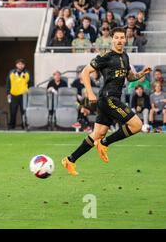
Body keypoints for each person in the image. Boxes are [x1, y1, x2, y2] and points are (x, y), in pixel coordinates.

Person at [62, 27, 151, 176]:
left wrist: (142, 74)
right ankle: (104, 144)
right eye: (116, 37)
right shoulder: (106, 56)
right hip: (108, 98)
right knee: (137, 125)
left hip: (112, 99)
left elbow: (130, 77)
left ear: (126, 39)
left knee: (97, 133)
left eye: (122, 38)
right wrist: (90, 93)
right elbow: (85, 72)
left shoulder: (125, 56)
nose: (120, 40)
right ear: (112, 39)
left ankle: (70, 160)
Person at [6, 59, 31, 129]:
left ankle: (24, 125)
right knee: (13, 111)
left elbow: (31, 83)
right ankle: (12, 126)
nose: (21, 65)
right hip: (13, 95)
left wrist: (28, 90)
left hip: (24, 95)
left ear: (24, 65)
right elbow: (8, 83)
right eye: (19, 64)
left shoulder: (27, 73)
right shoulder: (11, 72)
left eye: (22, 64)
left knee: (24, 111)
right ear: (16, 65)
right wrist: (8, 93)